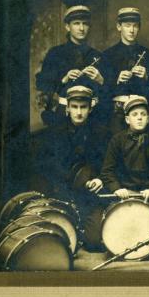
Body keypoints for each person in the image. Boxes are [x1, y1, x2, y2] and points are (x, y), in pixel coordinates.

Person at [35, 85, 110, 251]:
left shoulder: (100, 133)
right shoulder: (55, 132)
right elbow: (46, 166)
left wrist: (100, 179)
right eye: (74, 107)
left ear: (90, 109)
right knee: (59, 242)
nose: (79, 112)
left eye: (83, 107)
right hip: (62, 192)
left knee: (94, 243)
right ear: (67, 108)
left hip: (89, 195)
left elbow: (108, 163)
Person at [35, 5, 104, 126]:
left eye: (85, 24)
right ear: (67, 26)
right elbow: (43, 87)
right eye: (76, 23)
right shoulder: (55, 54)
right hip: (62, 116)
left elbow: (110, 92)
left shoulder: (97, 55)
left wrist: (100, 80)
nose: (81, 28)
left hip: (94, 117)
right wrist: (64, 79)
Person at [98, 95, 149, 201]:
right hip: (124, 194)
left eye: (143, 114)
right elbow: (107, 170)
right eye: (134, 114)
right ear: (127, 119)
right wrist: (117, 188)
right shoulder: (117, 140)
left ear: (148, 119)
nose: (139, 118)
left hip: (148, 194)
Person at [100, 7, 149, 134]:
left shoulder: (148, 55)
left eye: (135, 26)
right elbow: (103, 91)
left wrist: (147, 77)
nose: (131, 30)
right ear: (119, 27)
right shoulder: (108, 55)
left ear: (139, 28)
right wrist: (116, 80)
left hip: (141, 114)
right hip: (117, 114)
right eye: (127, 25)